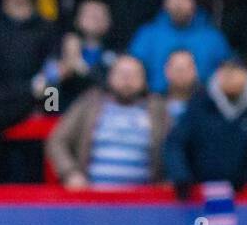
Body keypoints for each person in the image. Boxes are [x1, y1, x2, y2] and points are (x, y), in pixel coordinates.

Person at [46, 55, 170, 189]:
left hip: (146, 201)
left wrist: (169, 178)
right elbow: (57, 141)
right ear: (110, 76)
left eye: (134, 74)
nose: (127, 79)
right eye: (122, 73)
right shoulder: (89, 102)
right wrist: (70, 172)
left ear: (144, 80)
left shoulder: (158, 108)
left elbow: (176, 147)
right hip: (93, 198)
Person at [164, 59, 247, 196]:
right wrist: (181, 178)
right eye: (226, 72)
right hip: (200, 195)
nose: (230, 78)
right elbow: (175, 143)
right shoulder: (200, 105)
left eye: (235, 72)